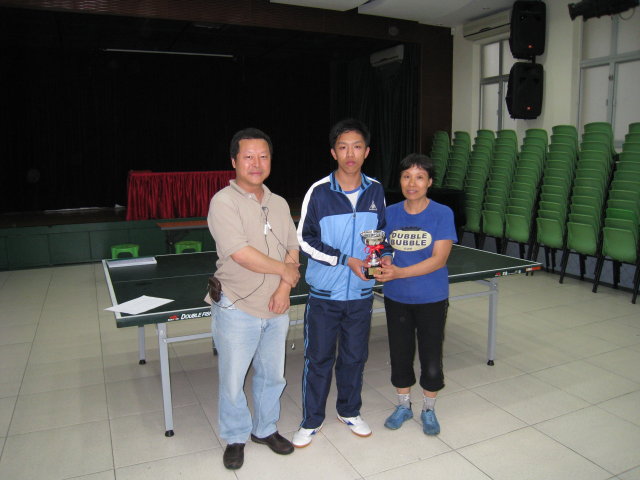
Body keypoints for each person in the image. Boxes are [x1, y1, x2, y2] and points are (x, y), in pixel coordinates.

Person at [206, 127, 300, 470]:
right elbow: (241, 254)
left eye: (263, 156)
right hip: (236, 304)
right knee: (233, 380)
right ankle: (235, 436)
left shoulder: (279, 203)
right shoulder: (223, 202)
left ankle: (265, 429)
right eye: (248, 156)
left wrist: (284, 289)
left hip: (276, 305)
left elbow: (291, 247)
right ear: (234, 161)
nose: (256, 163)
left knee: (272, 375)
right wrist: (285, 271)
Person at [293, 118, 386, 447]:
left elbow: (381, 235)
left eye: (357, 147)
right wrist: (346, 260)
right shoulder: (319, 192)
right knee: (318, 359)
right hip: (324, 294)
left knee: (354, 357)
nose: (350, 154)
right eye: (343, 147)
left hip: (361, 293)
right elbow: (304, 241)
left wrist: (383, 257)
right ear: (333, 152)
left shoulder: (376, 190)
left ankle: (349, 411)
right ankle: (311, 420)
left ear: (367, 152)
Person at [373, 153, 457, 436]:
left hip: (431, 297)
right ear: (400, 180)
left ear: (429, 182)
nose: (412, 183)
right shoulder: (390, 212)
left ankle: (429, 410)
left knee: (431, 357)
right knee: (400, 354)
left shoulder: (442, 213)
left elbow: (439, 259)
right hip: (397, 297)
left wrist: (399, 273)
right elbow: (383, 246)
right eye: (406, 176)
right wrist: (385, 260)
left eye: (419, 177)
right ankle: (403, 406)